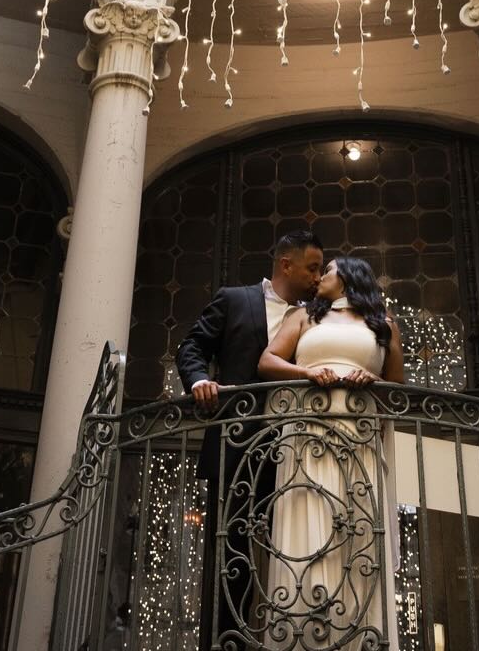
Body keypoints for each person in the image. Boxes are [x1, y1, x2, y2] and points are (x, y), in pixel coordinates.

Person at [176, 228, 325, 651]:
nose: (318, 277)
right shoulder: (234, 299)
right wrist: (200, 380)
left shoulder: (317, 316)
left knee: (298, 553)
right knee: (231, 559)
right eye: (312, 268)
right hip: (237, 448)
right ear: (286, 264)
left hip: (301, 451)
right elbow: (191, 347)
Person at [259, 256, 405, 650]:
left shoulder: (383, 324)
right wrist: (306, 373)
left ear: (348, 277)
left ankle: (359, 638)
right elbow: (267, 361)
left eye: (327, 270)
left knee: (357, 534)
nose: (319, 277)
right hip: (307, 438)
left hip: (359, 439)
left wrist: (373, 379)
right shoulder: (304, 316)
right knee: (309, 532)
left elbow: (398, 390)